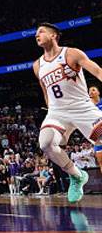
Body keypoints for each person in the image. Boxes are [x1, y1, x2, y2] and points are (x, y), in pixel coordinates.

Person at [33, 22, 102, 203]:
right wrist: (51, 112)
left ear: (54, 35)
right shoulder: (37, 65)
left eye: (41, 32)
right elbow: (45, 92)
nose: (36, 35)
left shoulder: (71, 53)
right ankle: (77, 175)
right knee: (46, 143)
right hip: (57, 112)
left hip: (82, 107)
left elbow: (97, 71)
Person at [89, 85, 102, 173]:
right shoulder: (88, 107)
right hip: (97, 137)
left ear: (98, 93)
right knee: (101, 162)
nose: (91, 92)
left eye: (93, 90)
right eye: (89, 91)